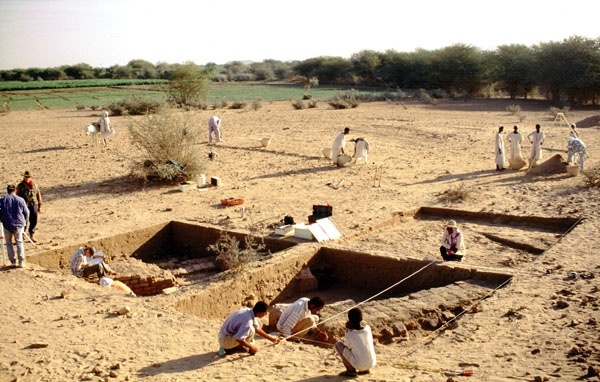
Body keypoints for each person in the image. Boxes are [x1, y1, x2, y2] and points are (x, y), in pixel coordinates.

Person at [334, 307, 376, 377]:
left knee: (338, 345)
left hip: (360, 365)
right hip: (371, 363)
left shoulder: (350, 334)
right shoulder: (368, 329)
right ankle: (365, 370)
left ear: (349, 320)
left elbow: (347, 346)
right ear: (361, 318)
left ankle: (351, 371)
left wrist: (348, 330)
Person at [0, 184, 29, 268]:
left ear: (7, 190)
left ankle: (13, 262)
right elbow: (26, 212)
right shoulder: (20, 200)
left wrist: (2, 219)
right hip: (19, 224)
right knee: (19, 242)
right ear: (15, 190)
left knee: (9, 243)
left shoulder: (3, 199)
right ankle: (21, 262)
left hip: (7, 223)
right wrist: (25, 222)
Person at [16, 170, 43, 243]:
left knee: (34, 220)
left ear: (31, 177)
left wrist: (40, 205)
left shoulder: (34, 185)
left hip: (34, 205)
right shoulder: (20, 186)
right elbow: (16, 196)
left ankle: (32, 234)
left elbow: (38, 195)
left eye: (28, 177)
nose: (27, 178)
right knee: (24, 221)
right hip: (24, 206)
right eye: (26, 177)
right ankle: (22, 235)